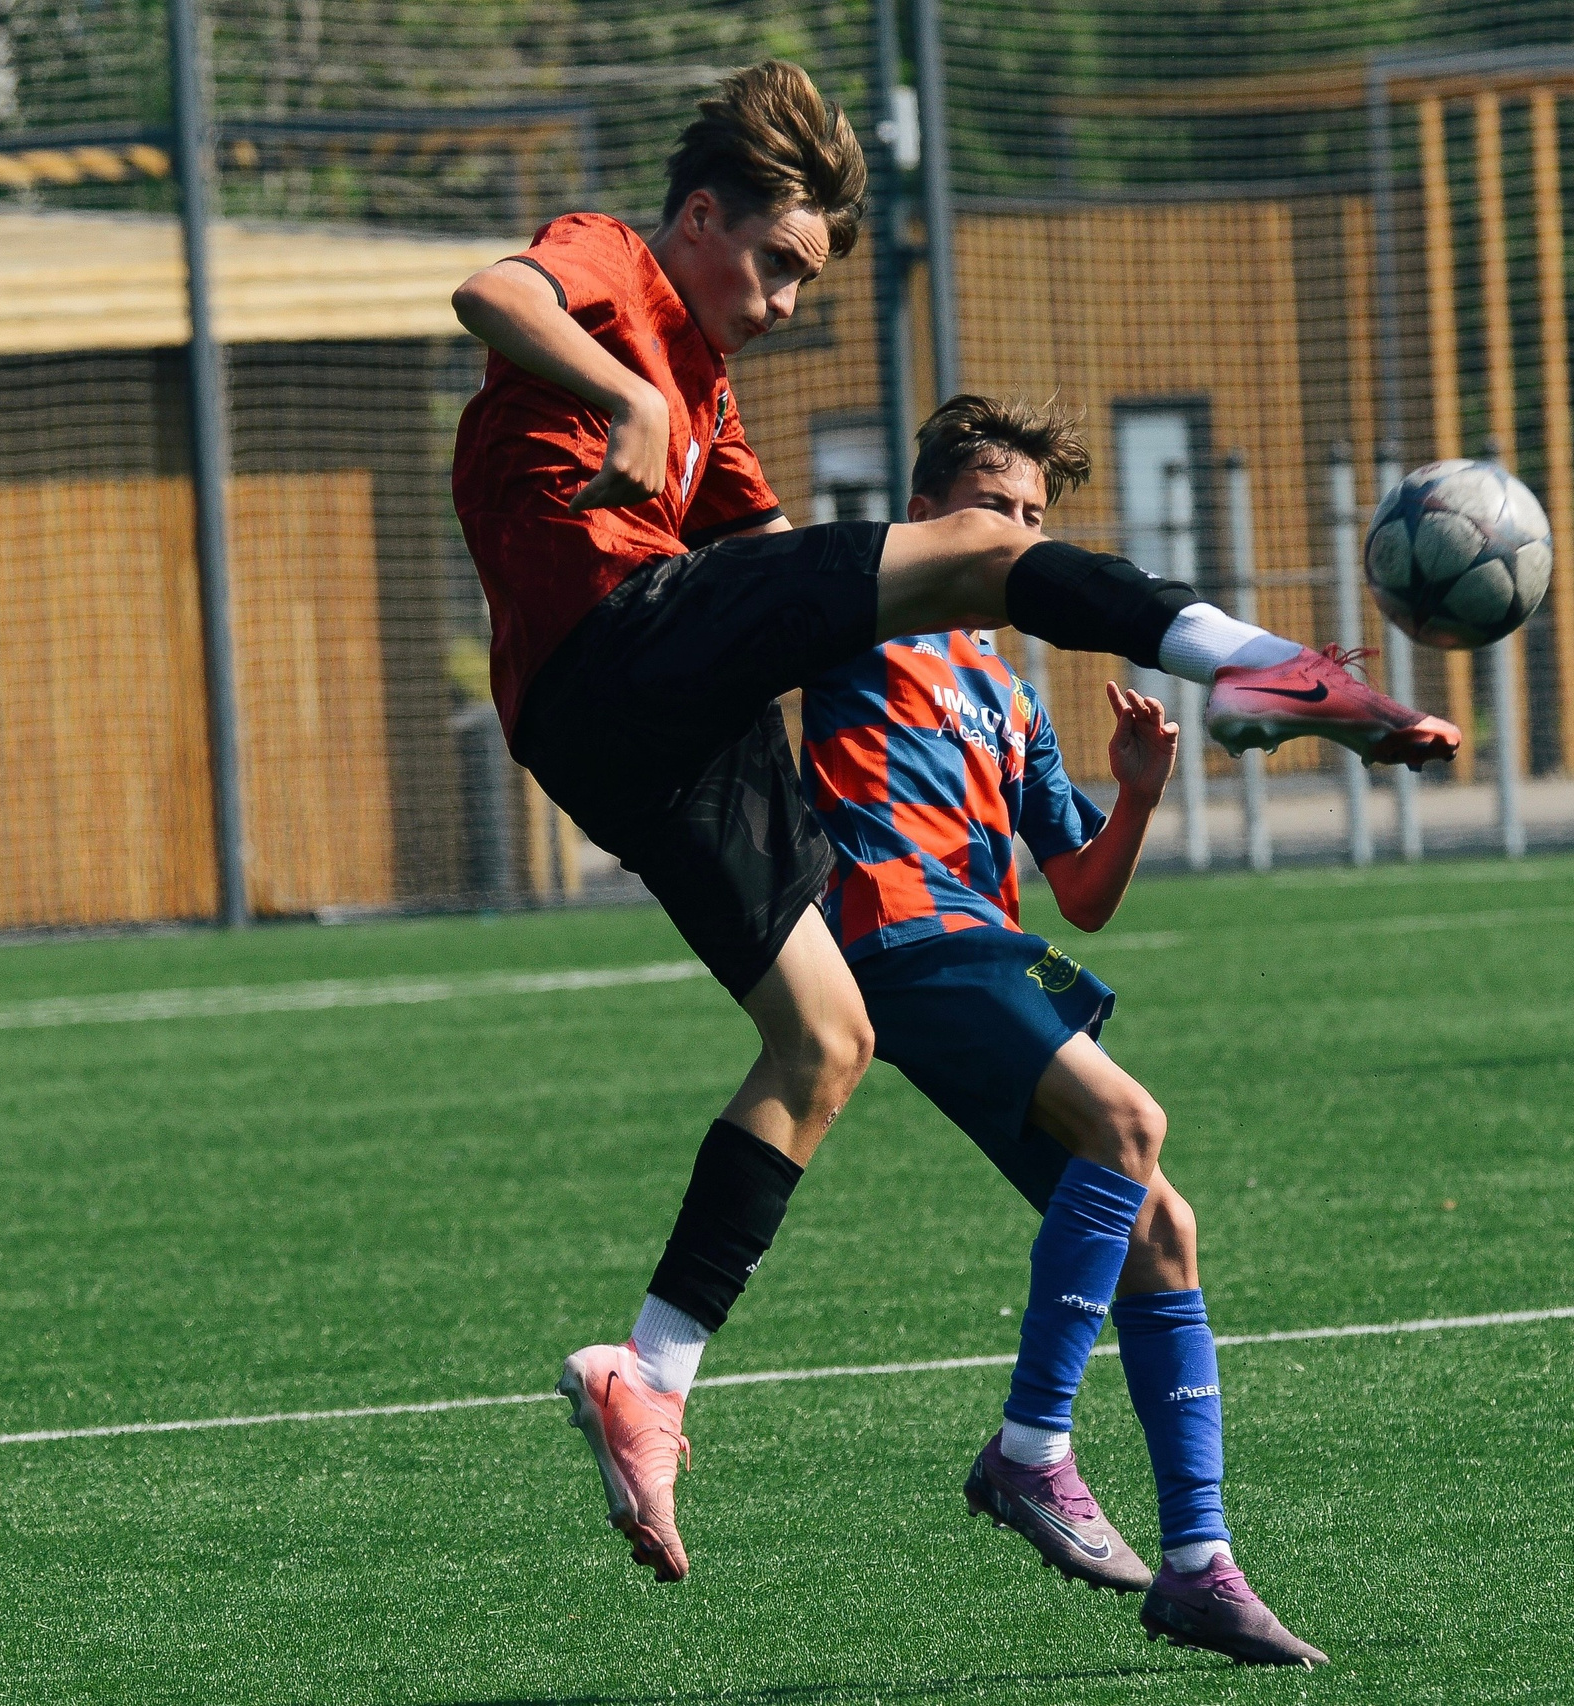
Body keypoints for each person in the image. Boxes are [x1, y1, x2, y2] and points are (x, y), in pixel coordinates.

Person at [447, 61, 1459, 1584]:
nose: (784, 301)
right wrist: (623, 390)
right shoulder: (617, 265)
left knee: (824, 1038)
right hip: (616, 639)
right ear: (703, 212)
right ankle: (1274, 659)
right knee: (982, 553)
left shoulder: (712, 410)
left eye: (807, 280)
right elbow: (485, 293)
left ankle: (649, 1371)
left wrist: (933, 585)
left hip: (637, 737)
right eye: (776, 261)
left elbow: (804, 579)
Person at [801, 395, 1323, 1667]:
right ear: (925, 511)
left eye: (1036, 516)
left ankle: (1198, 1561)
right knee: (1130, 1119)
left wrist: (1137, 799)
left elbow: (1081, 888)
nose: (1018, 533)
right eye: (994, 507)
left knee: (1161, 1223)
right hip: (897, 934)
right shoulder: (850, 619)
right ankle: (1032, 1446)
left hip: (982, 950)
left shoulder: (1011, 692)